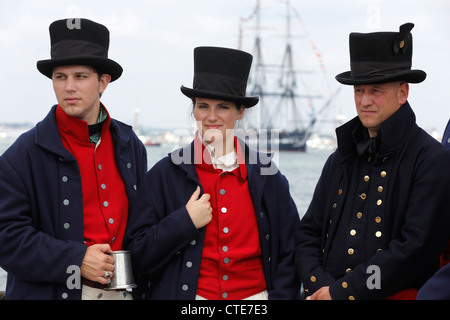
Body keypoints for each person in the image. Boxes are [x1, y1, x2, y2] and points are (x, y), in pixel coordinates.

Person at [124, 46, 300, 300]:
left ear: (240, 112)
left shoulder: (268, 175)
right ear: (193, 110)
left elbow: (290, 252)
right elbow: (138, 257)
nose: (211, 117)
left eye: (223, 107)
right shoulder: (164, 174)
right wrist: (184, 222)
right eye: (203, 106)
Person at [295, 23, 450, 300]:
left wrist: (342, 292)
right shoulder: (338, 160)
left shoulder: (432, 160)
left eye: (376, 90)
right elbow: (307, 234)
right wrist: (320, 286)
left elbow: (413, 250)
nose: (365, 101)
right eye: (358, 90)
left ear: (403, 92)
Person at [0, 18, 147, 300]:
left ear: (103, 82)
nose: (69, 87)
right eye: (60, 77)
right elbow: (5, 237)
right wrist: (75, 259)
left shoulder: (131, 147)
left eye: (80, 76)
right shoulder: (22, 154)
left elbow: (143, 226)